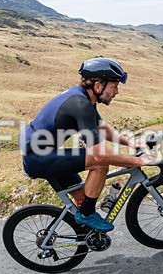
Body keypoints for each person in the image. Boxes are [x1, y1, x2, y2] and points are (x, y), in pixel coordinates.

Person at [21, 57, 152, 232]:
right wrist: (138, 161)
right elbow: (100, 155)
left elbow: (103, 129)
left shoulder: (83, 98)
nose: (117, 92)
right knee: (101, 162)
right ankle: (86, 216)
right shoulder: (81, 104)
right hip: (39, 158)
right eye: (114, 86)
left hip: (42, 153)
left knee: (82, 198)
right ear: (98, 85)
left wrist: (132, 142)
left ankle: (85, 235)